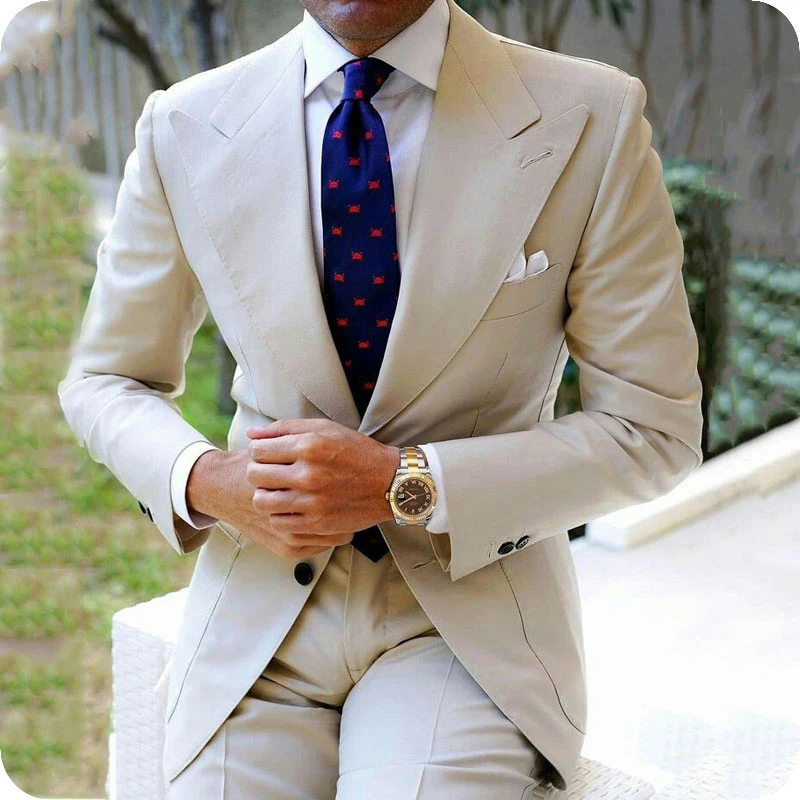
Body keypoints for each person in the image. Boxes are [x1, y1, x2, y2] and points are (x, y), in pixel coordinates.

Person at [58, 0, 704, 796]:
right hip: (256, 622)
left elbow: (651, 428)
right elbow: (105, 379)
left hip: (466, 626)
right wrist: (209, 480)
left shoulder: (593, 117)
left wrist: (408, 483)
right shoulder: (183, 123)